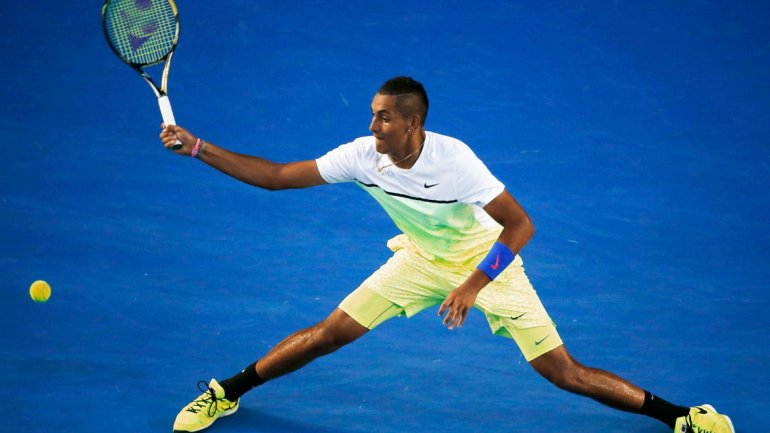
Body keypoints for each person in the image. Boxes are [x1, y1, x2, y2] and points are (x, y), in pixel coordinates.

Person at [160, 77, 734, 433]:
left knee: (564, 372)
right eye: (372, 113)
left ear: (414, 123)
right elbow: (277, 176)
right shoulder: (362, 155)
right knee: (330, 334)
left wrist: (473, 285)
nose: (372, 124)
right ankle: (226, 393)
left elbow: (520, 225)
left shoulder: (454, 160)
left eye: (384, 116)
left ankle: (683, 417)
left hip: (488, 264)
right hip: (420, 260)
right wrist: (200, 147)